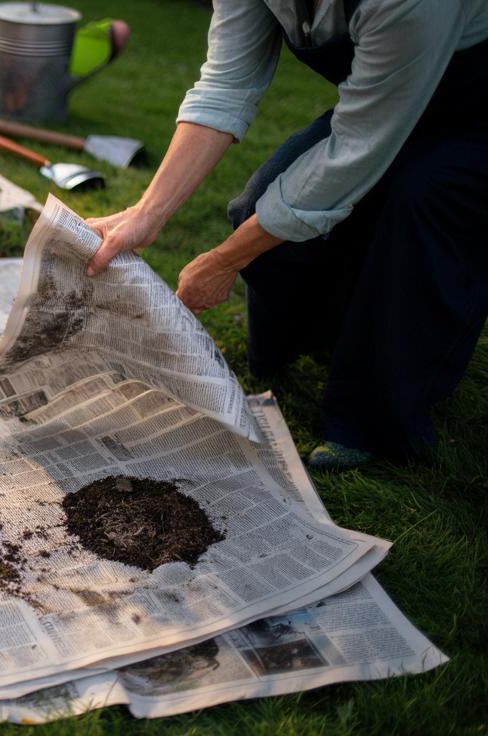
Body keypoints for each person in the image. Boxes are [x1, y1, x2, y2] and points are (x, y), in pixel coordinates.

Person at [85, 0, 488, 469]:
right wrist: (147, 213)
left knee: (419, 207)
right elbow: (225, 86)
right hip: (382, 98)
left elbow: (355, 149)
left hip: (475, 113)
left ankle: (374, 422)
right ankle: (326, 343)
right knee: (259, 210)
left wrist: (223, 261)